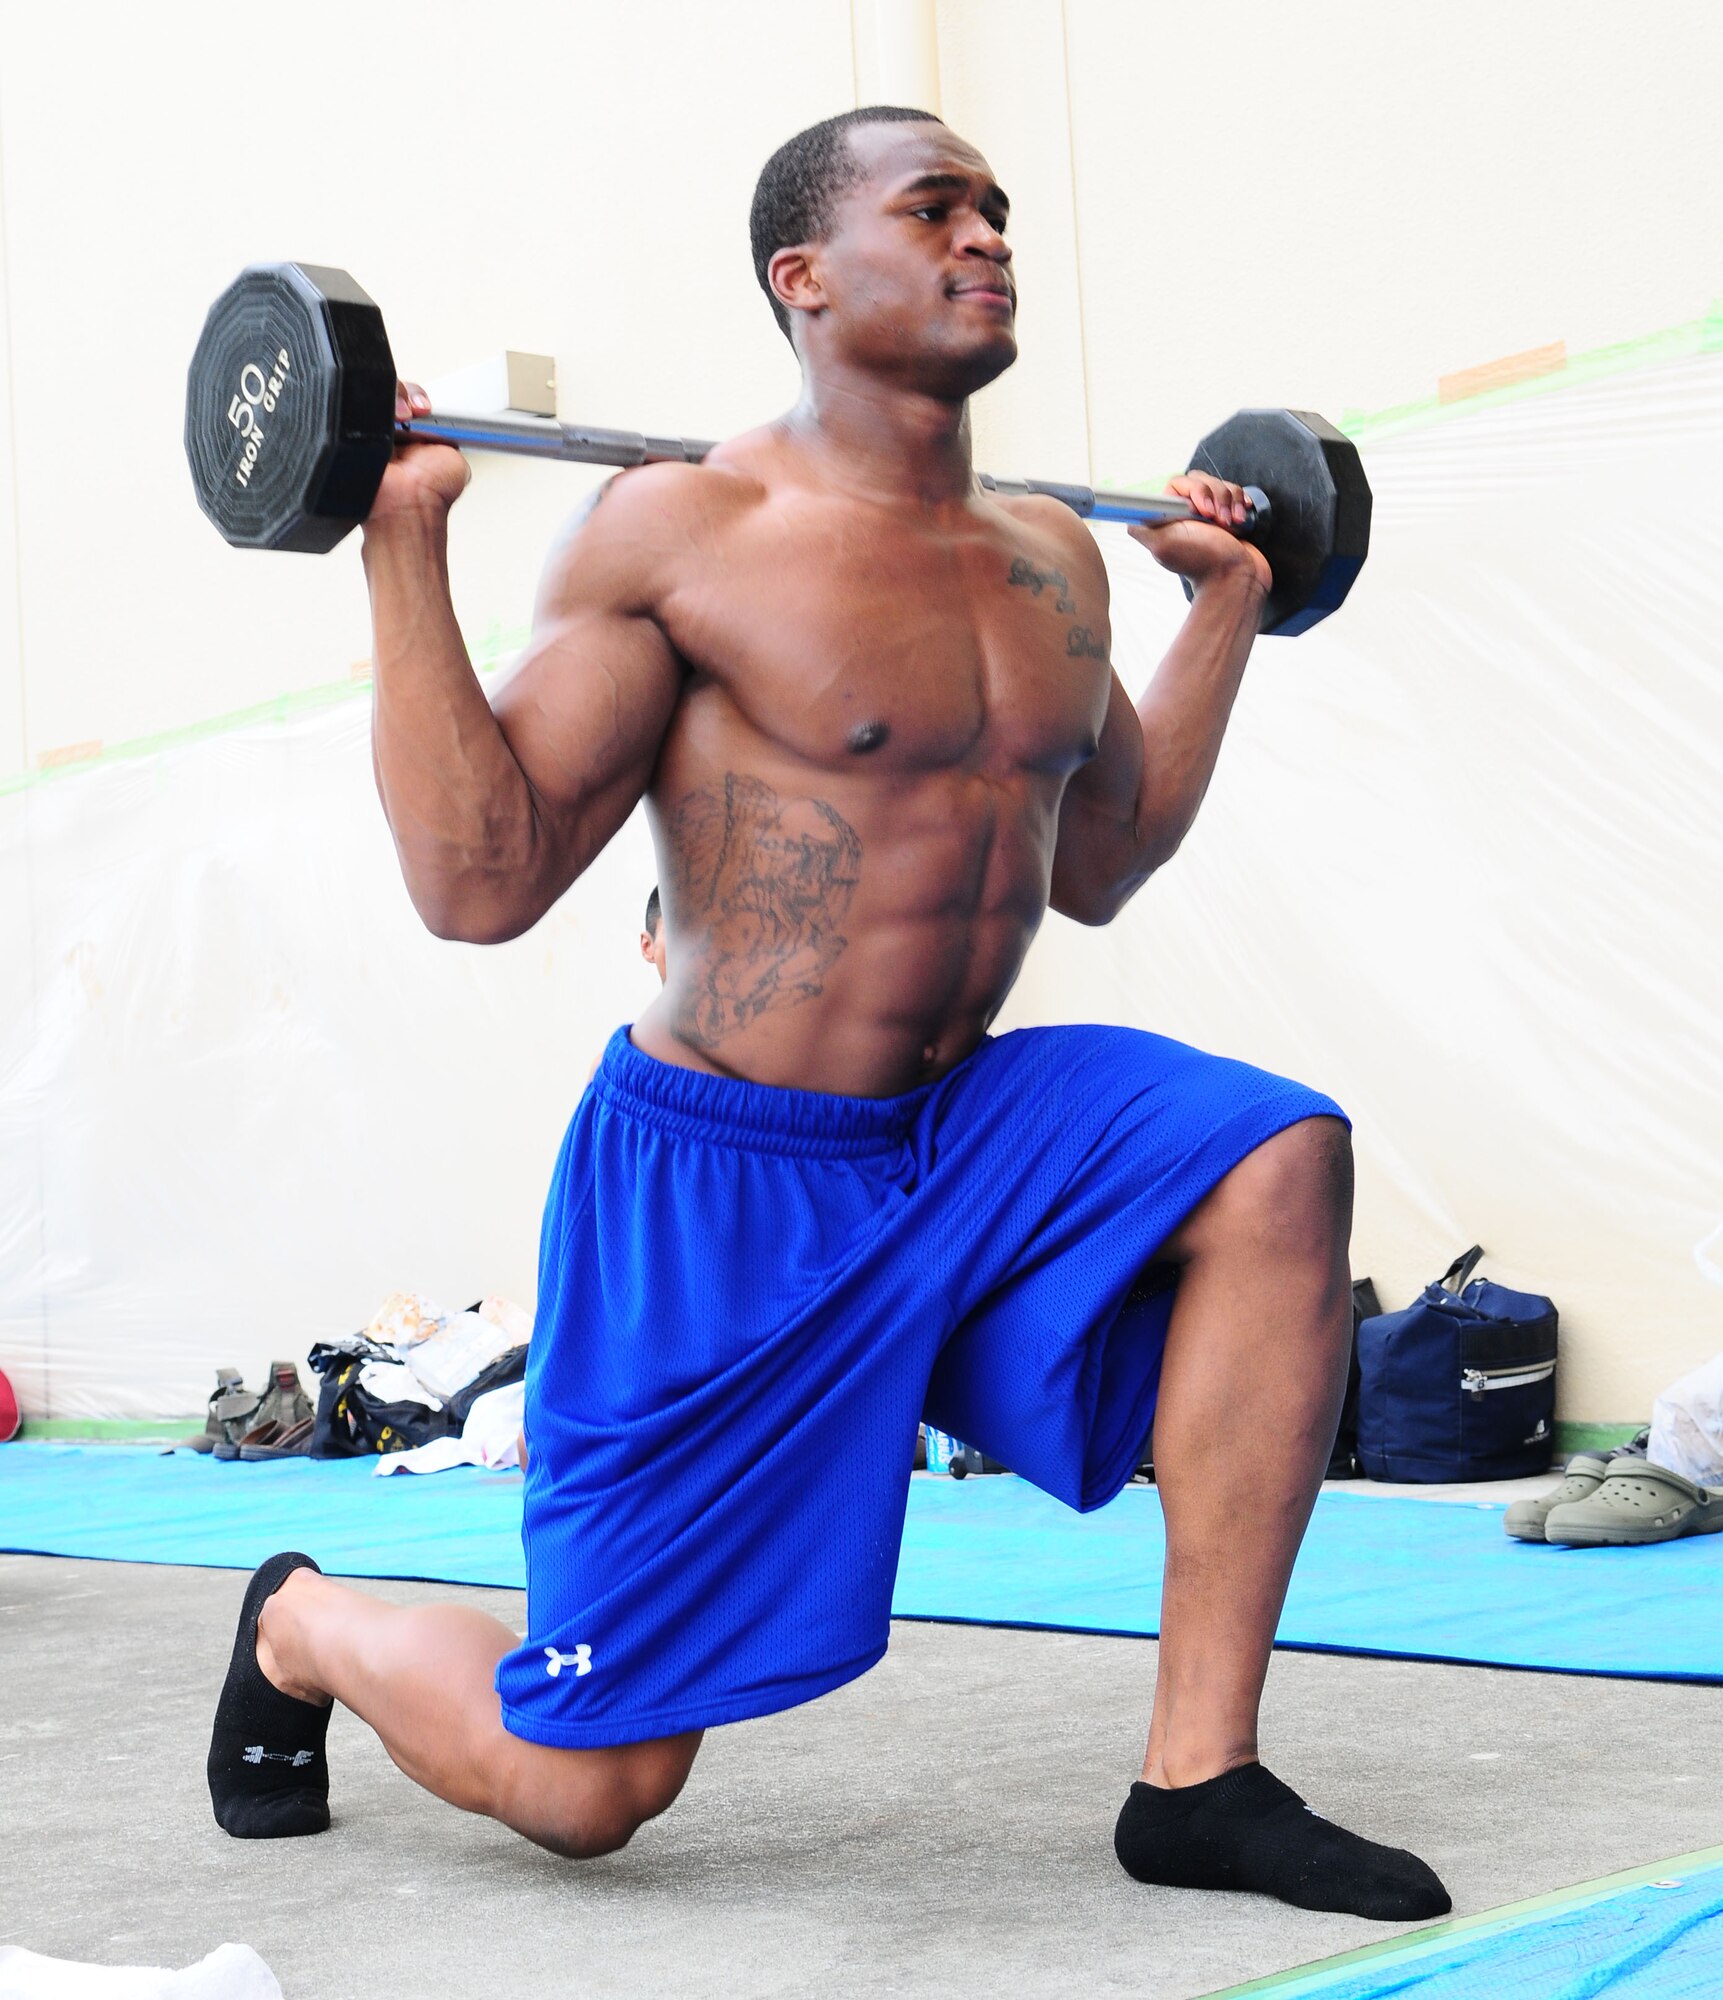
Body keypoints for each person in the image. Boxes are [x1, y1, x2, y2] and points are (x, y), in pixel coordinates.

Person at [207, 107, 1447, 1921]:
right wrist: (402, 540)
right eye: (934, 209)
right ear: (802, 277)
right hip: (721, 1181)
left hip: (958, 1136)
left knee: (1273, 1152)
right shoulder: (682, 531)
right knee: (593, 1787)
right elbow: (481, 882)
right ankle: (304, 1623)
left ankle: (1200, 1778)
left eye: (997, 210)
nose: (988, 236)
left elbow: (1103, 859)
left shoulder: (1052, 555)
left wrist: (1228, 616)